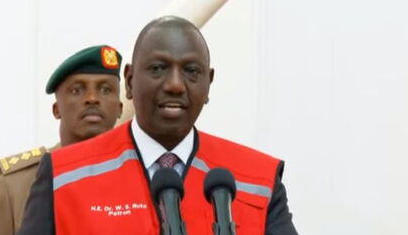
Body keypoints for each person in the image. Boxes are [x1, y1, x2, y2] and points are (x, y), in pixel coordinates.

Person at [17, 16, 298, 235]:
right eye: (158, 69)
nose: (175, 85)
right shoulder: (63, 176)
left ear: (208, 84)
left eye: (191, 71)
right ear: (128, 81)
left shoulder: (256, 180)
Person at [0, 45, 124, 235]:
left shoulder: (144, 174)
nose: (92, 98)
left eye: (105, 90)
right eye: (77, 90)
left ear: (120, 108)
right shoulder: (12, 183)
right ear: (56, 109)